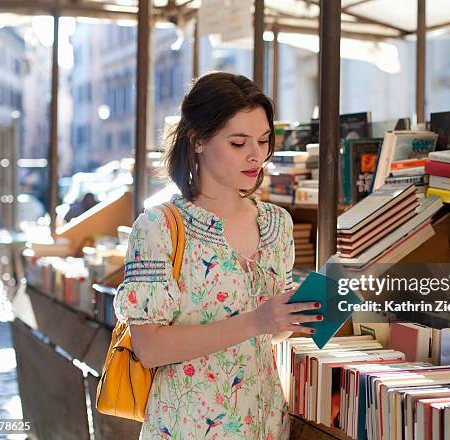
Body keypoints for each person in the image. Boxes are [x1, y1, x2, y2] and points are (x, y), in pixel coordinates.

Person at [114, 72, 322, 440]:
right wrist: (257, 321)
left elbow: (268, 336)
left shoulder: (278, 225)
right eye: (238, 143)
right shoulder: (159, 227)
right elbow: (149, 348)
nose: (256, 155)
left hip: (265, 423)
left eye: (263, 140)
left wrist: (291, 320)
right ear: (198, 141)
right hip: (185, 427)